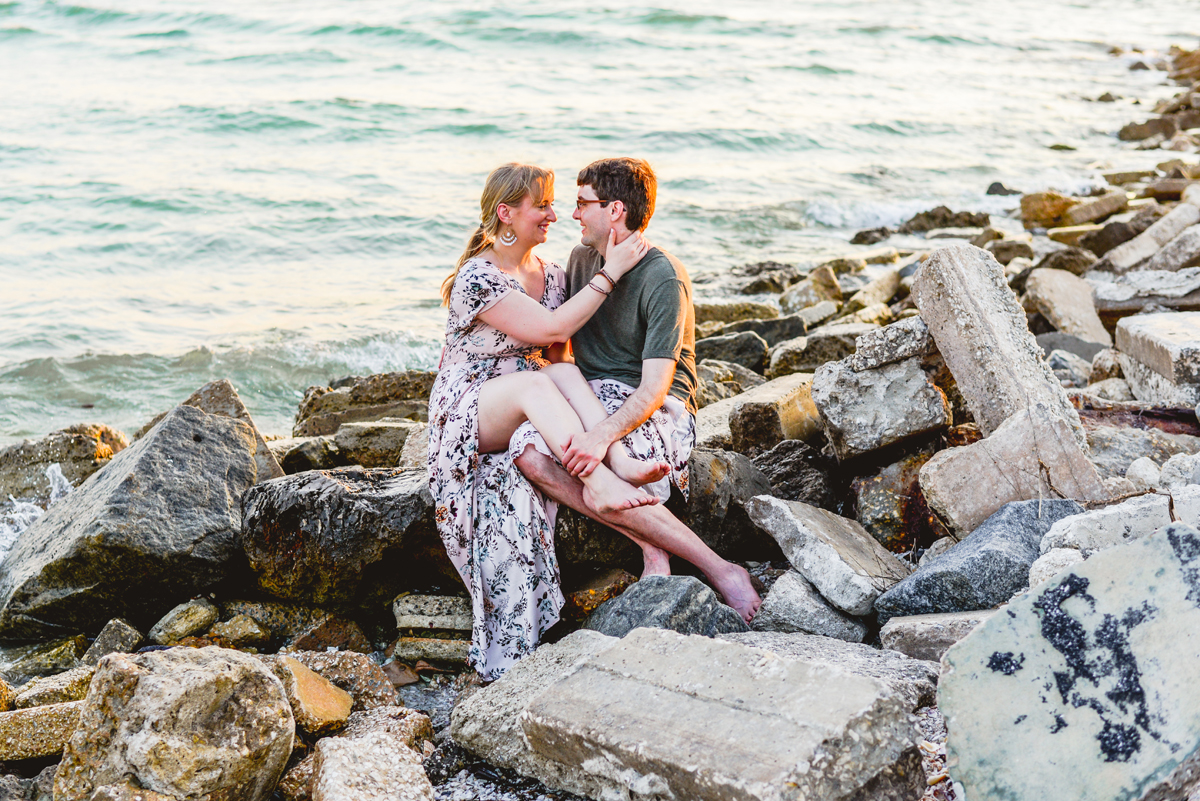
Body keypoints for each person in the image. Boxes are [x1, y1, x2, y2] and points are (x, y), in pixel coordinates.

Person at [428, 162, 670, 681]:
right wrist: (612, 271)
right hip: (469, 410)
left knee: (554, 374)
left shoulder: (554, 276)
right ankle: (599, 483)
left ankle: (620, 458)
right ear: (507, 213)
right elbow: (552, 326)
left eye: (556, 204)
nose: (555, 215)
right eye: (543, 205)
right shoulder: (478, 277)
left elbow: (561, 356)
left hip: (530, 394)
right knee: (537, 381)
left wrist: (608, 429)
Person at [513, 157, 762, 622]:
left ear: (615, 211)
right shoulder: (582, 258)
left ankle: (722, 569)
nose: (573, 214)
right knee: (527, 451)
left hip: (655, 406)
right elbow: (560, 351)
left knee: (603, 460)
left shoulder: (663, 276)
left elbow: (653, 391)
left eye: (582, 203)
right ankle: (648, 541)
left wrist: (600, 436)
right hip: (591, 394)